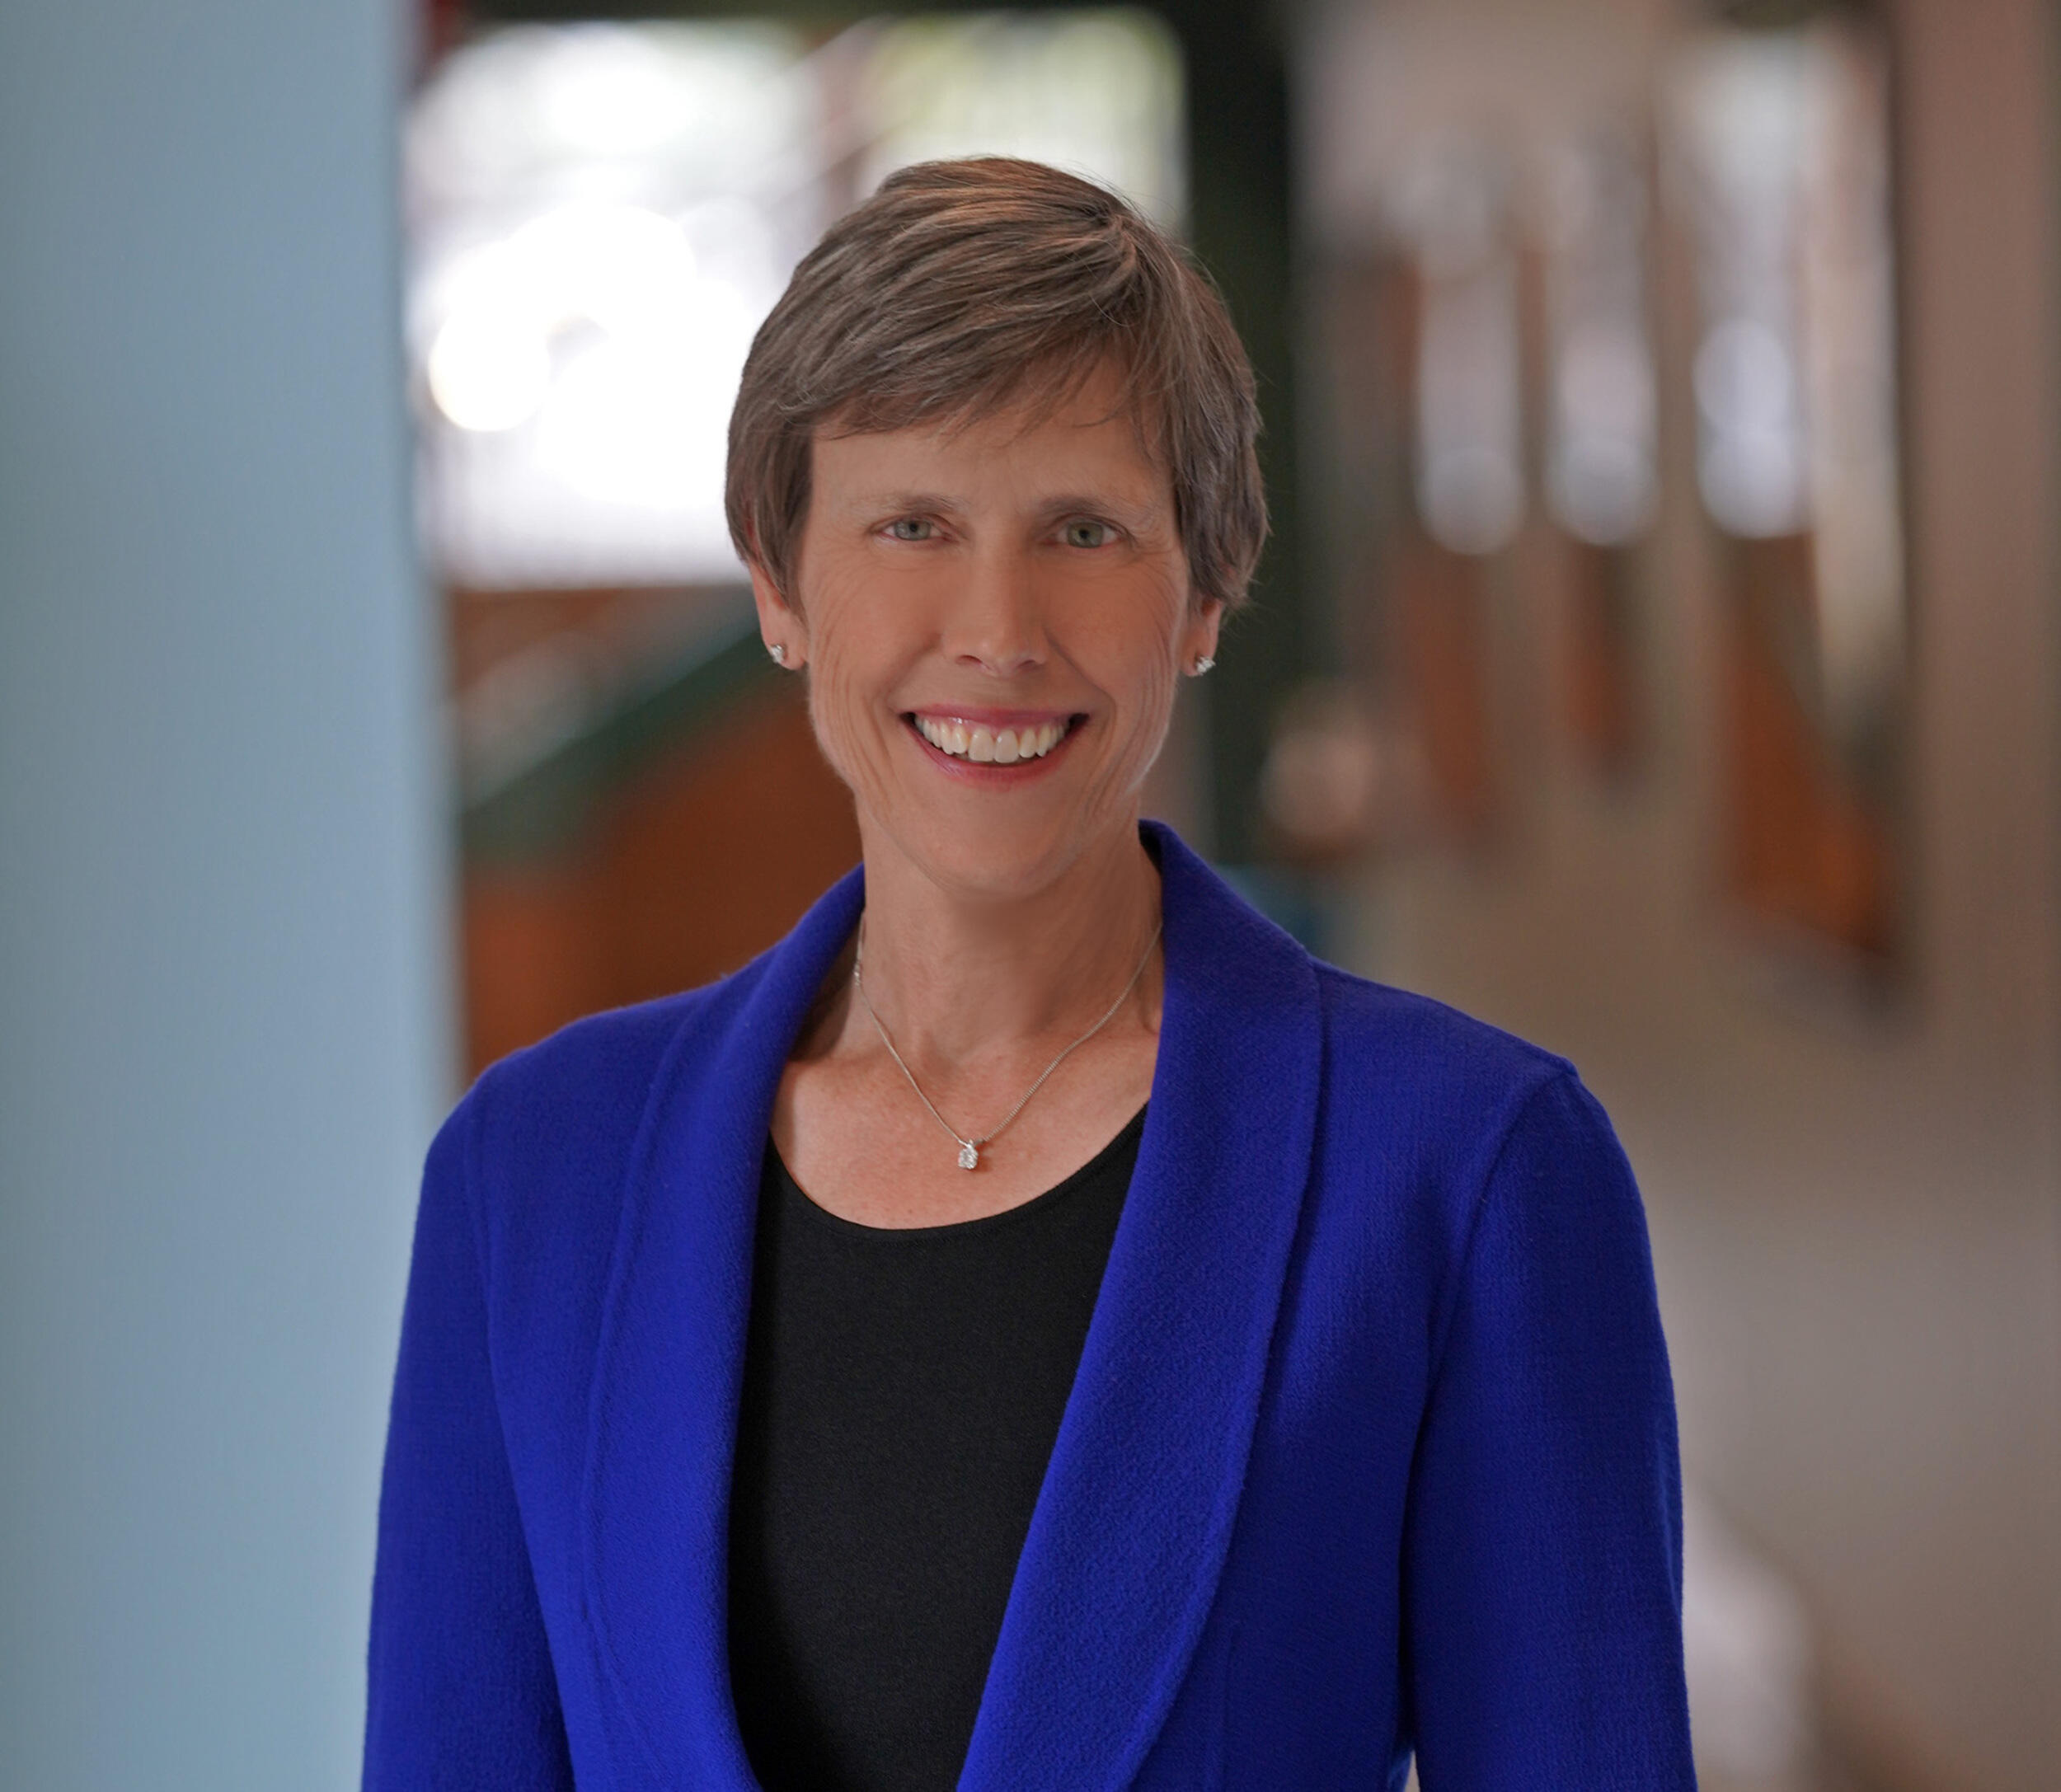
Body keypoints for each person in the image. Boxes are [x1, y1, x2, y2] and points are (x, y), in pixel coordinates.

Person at [364, 158, 1695, 1791]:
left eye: (1083, 528)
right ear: (780, 584)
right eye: (910, 524)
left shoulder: (1467, 1167)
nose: (996, 626)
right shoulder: (529, 1177)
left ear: (1203, 591)